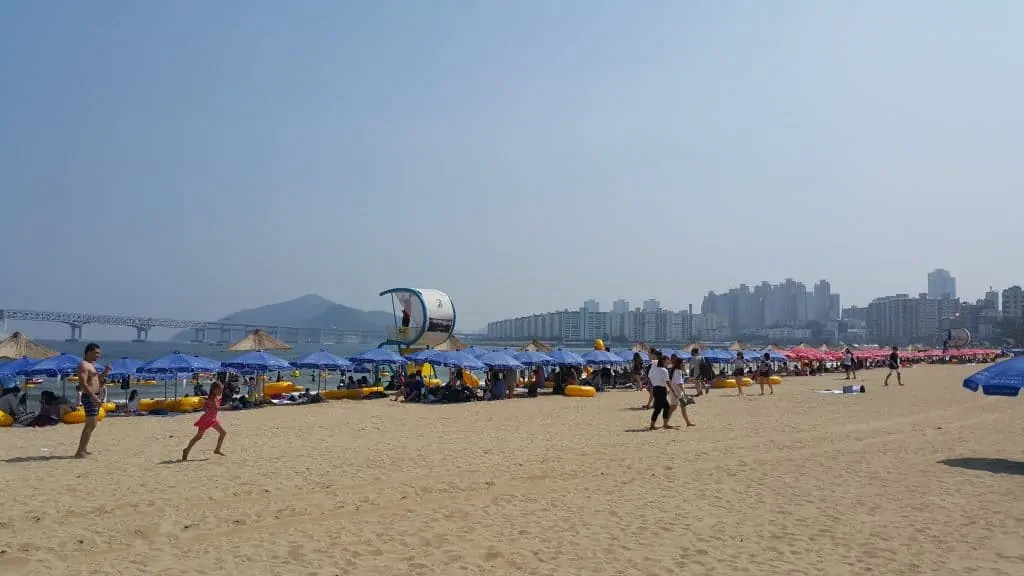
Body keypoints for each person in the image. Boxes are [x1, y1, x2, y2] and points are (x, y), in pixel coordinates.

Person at [75, 343, 111, 458]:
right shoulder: (83, 365)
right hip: (89, 396)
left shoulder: (91, 365)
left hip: (94, 395)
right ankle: (80, 451)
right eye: (96, 353)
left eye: (99, 353)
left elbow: (96, 380)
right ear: (89, 352)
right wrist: (94, 397)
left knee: (92, 424)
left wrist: (105, 372)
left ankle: (83, 449)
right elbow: (83, 383)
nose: (98, 355)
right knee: (91, 423)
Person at [182, 381, 227, 461]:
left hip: (212, 419)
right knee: (198, 437)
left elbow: (206, 407)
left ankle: (217, 450)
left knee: (223, 433)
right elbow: (217, 408)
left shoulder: (215, 397)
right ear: (214, 390)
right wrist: (228, 406)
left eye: (221, 390)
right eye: (219, 390)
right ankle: (186, 450)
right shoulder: (212, 398)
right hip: (206, 420)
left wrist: (197, 409)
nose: (221, 391)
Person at [648, 356, 673, 430]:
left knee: (661, 407)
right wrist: (673, 391)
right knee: (661, 408)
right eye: (668, 360)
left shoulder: (654, 369)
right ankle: (656, 425)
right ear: (663, 361)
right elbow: (668, 382)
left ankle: (662, 424)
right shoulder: (663, 370)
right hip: (661, 389)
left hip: (656, 388)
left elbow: (650, 377)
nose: (669, 362)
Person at [667, 357, 695, 426]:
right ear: (679, 364)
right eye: (683, 363)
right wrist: (684, 392)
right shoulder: (678, 371)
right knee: (673, 407)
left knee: (682, 407)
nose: (684, 364)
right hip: (677, 391)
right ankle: (665, 422)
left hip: (676, 390)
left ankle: (688, 422)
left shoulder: (677, 370)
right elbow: (679, 383)